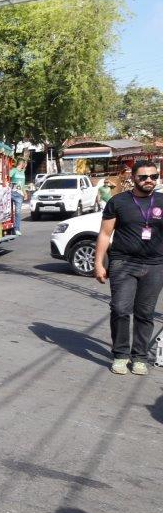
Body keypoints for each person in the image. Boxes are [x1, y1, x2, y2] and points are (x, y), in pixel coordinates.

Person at [93, 160, 163, 376]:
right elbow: (105, 234)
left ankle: (140, 357)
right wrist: (98, 263)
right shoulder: (118, 202)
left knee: (145, 313)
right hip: (124, 263)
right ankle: (121, 355)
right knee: (121, 309)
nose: (149, 180)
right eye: (143, 177)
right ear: (133, 178)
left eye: (153, 176)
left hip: (155, 264)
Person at [9, 158, 27, 235]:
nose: (25, 165)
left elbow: (23, 184)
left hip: (19, 194)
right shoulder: (13, 170)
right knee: (8, 211)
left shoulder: (23, 172)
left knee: (18, 212)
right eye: (24, 164)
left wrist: (25, 193)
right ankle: (9, 227)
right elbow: (7, 177)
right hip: (11, 192)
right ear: (21, 164)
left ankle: (17, 229)